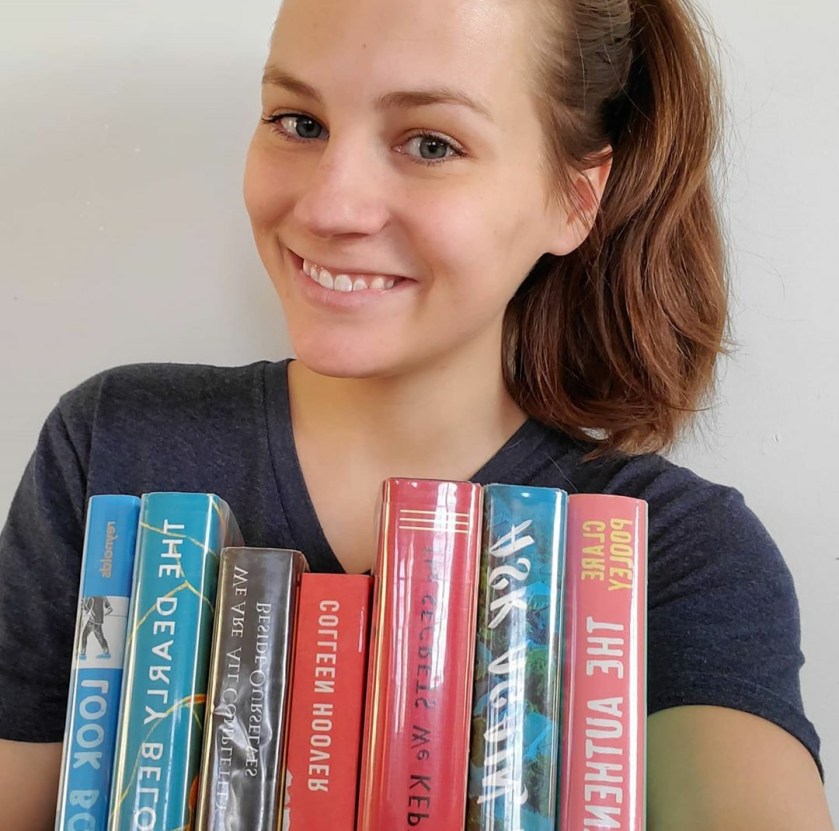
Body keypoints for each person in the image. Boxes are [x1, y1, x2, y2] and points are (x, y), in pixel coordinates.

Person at [0, 0, 833, 827]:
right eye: (298, 122)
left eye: (431, 143)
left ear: (574, 199)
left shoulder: (664, 549)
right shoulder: (114, 446)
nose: (329, 207)